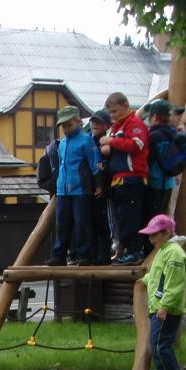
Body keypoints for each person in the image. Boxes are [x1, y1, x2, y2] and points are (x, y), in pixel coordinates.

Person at [139, 214, 186, 370]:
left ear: (167, 232)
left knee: (161, 345)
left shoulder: (174, 253)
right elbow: (156, 276)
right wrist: (143, 280)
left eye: (154, 235)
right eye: (150, 235)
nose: (151, 239)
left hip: (166, 309)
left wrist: (165, 306)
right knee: (157, 344)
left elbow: (174, 282)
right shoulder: (163, 250)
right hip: (159, 307)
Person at [45, 105, 101, 266]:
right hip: (63, 190)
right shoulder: (62, 143)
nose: (66, 129)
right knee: (61, 224)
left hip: (80, 189)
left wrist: (98, 185)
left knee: (82, 223)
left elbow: (95, 163)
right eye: (63, 126)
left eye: (69, 125)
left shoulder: (86, 140)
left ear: (78, 121)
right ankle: (59, 255)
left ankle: (84, 255)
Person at [99, 92, 149, 265]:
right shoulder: (116, 127)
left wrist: (111, 143)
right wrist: (107, 150)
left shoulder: (134, 123)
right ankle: (126, 250)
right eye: (110, 113)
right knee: (121, 217)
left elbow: (137, 144)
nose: (112, 115)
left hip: (132, 177)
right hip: (118, 178)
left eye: (115, 111)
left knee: (130, 217)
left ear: (126, 106)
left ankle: (135, 251)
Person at [88, 108, 113, 264]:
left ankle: (104, 255)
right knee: (91, 222)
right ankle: (93, 254)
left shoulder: (109, 141)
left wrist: (105, 167)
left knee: (104, 223)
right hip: (89, 188)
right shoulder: (88, 140)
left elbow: (114, 164)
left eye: (99, 122)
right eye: (93, 122)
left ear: (106, 125)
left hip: (106, 189)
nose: (95, 125)